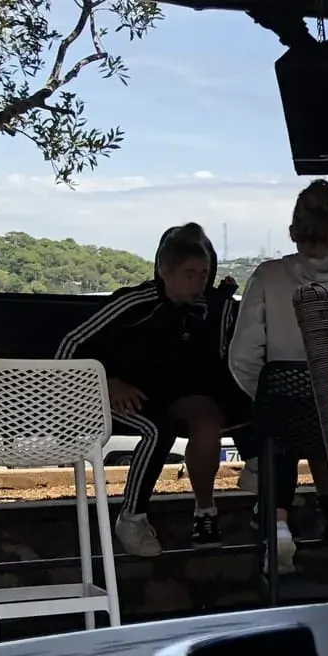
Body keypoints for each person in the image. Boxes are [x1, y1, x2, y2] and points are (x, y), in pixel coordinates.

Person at [56, 223, 247, 557]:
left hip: (166, 396)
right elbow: (70, 345)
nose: (199, 282)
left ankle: (211, 509)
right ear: (164, 271)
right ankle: (132, 515)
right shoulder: (132, 303)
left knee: (208, 419)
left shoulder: (207, 309)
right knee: (159, 430)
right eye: (190, 274)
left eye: (204, 274)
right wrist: (105, 382)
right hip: (108, 393)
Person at [228, 180, 328, 571]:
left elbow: (242, 355)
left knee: (279, 435)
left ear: (293, 232)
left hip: (283, 406)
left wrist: (264, 395)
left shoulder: (268, 278)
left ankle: (280, 526)